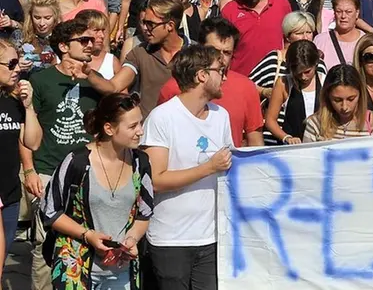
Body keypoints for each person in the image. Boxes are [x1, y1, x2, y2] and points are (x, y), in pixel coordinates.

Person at [142, 44, 233, 290]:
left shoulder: (221, 116)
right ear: (202, 75)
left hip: (212, 237)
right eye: (220, 70)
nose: (225, 76)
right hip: (171, 240)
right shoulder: (163, 117)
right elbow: (155, 181)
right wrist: (208, 168)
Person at [41, 92, 151, 290]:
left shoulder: (140, 163)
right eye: (133, 126)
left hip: (121, 271)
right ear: (109, 128)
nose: (140, 131)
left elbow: (145, 213)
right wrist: (87, 235)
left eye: (140, 123)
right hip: (75, 269)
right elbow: (50, 211)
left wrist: (132, 239)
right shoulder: (77, 162)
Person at [24, 19, 101, 290]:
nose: (91, 45)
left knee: (85, 239)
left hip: (87, 173)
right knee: (45, 243)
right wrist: (29, 170)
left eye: (92, 40)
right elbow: (28, 129)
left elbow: (116, 97)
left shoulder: (96, 80)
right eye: (84, 41)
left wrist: (91, 77)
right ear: (63, 46)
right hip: (48, 171)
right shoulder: (40, 80)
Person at [158, 18, 264, 148]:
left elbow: (255, 143)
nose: (221, 58)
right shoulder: (173, 87)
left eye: (227, 53)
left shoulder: (246, 87)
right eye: (213, 51)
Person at [84, 0, 185, 117]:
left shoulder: (196, 54)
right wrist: (89, 73)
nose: (145, 28)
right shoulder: (140, 52)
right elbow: (114, 86)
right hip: (149, 131)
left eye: (150, 24)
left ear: (170, 25)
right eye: (143, 22)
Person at [0, 39, 42, 264]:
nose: (17, 68)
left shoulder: (13, 100)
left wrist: (28, 107)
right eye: (11, 63)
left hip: (10, 194)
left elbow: (33, 142)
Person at [221, 0, 291, 76]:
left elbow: (289, 40)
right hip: (241, 78)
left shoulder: (282, 4)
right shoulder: (230, 11)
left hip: (275, 77)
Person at [248, 11, 327, 102]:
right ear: (288, 37)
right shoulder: (275, 59)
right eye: (299, 33)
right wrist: (264, 91)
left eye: (309, 32)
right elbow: (247, 84)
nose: (305, 37)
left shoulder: (318, 63)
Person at [302, 63, 373, 142]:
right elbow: (307, 155)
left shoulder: (371, 121)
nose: (344, 107)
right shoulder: (315, 124)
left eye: (351, 99)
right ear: (327, 96)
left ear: (360, 94)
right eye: (337, 100)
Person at [265, 39, 323, 145]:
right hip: (292, 148)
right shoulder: (283, 83)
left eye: (307, 72)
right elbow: (270, 120)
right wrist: (286, 137)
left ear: (316, 63)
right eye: (298, 73)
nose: (303, 77)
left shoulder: (325, 81)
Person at [313, 0, 364, 70]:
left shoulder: (365, 41)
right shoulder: (320, 40)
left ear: (357, 13)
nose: (343, 16)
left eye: (348, 12)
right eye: (339, 11)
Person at [13, 0, 59, 74]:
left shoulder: (63, 37)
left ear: (55, 16)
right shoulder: (19, 36)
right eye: (37, 18)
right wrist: (17, 63)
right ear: (30, 16)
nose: (42, 23)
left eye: (47, 18)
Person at [75, 9, 120, 80]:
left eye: (103, 30)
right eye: (96, 30)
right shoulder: (64, 59)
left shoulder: (112, 62)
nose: (102, 35)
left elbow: (122, 90)